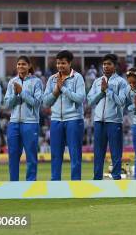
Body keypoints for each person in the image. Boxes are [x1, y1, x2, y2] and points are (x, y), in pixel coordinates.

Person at [43, 50, 86, 181]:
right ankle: (55, 183)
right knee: (56, 155)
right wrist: (56, 91)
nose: (60, 66)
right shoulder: (52, 79)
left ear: (69, 63)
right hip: (56, 119)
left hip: (74, 119)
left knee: (75, 154)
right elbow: (45, 102)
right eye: (58, 63)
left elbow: (80, 98)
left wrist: (64, 89)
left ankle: (75, 183)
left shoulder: (77, 78)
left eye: (63, 63)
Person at [87, 54, 128, 180]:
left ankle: (116, 177)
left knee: (115, 153)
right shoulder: (97, 81)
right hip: (99, 121)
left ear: (115, 66)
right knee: (98, 153)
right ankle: (97, 178)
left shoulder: (121, 82)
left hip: (114, 121)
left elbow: (122, 101)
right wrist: (101, 92)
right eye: (104, 64)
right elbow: (89, 101)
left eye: (109, 64)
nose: (105, 66)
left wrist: (108, 91)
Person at [4, 55, 44, 181]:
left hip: (30, 122)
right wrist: (16, 95)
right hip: (14, 122)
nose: (21, 66)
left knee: (31, 155)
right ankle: (14, 184)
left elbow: (37, 103)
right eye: (19, 64)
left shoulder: (36, 82)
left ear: (29, 66)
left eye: (23, 64)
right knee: (13, 155)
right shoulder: (12, 82)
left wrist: (22, 92)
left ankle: (30, 183)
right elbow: (7, 104)